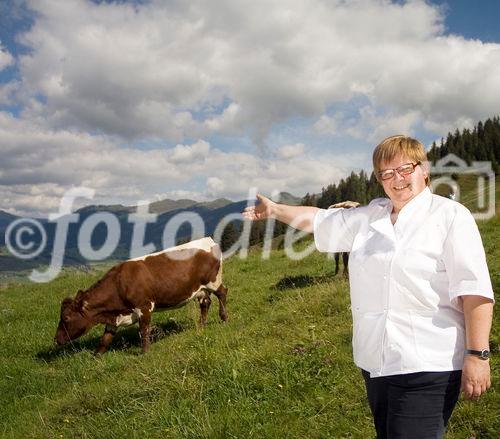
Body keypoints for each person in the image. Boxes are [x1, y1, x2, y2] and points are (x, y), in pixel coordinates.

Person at [242, 135, 494, 439]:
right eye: (386, 173)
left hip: (428, 362)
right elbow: (320, 220)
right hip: (376, 361)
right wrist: (275, 211)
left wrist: (477, 354)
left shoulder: (450, 216)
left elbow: (475, 289)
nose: (396, 179)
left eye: (404, 169)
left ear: (424, 169)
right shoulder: (370, 216)